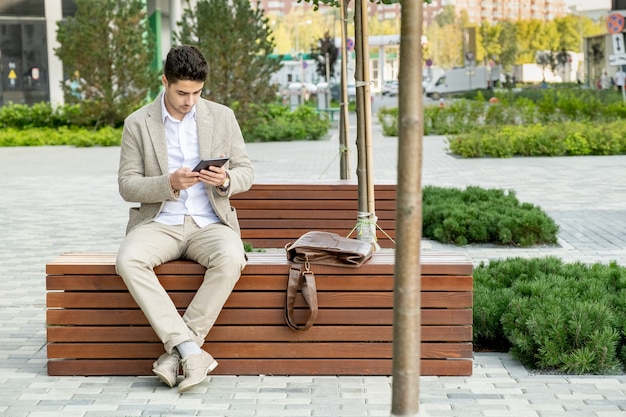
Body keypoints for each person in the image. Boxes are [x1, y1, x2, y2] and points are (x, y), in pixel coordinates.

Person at [116, 45, 254, 392]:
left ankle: (178, 351)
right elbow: (127, 185)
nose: (189, 100)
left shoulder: (222, 117)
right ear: (164, 81)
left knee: (232, 257)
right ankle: (191, 351)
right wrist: (168, 183)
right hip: (160, 222)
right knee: (128, 260)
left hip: (210, 223)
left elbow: (246, 171)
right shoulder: (138, 123)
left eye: (197, 92)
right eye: (181, 92)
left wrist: (224, 180)